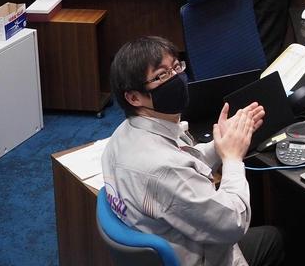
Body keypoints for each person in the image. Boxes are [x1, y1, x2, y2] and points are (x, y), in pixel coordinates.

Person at [102, 36, 284, 266]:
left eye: (176, 67)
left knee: (270, 237)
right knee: (278, 238)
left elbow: (181, 160)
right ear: (133, 97)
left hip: (176, 238)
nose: (176, 78)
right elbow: (233, 223)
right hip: (205, 257)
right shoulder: (162, 169)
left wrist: (221, 144)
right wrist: (233, 158)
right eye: (162, 75)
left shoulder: (123, 133)